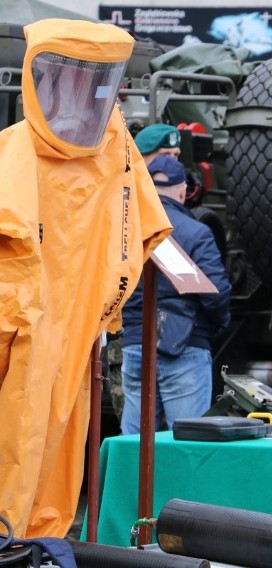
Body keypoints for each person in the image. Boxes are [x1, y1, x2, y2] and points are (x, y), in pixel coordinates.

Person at [0, 19, 171, 537]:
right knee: (28, 437)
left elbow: (138, 233)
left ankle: (29, 540)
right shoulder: (23, 151)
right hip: (27, 332)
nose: (77, 93)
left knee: (54, 443)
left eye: (90, 77)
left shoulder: (115, 151)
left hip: (67, 332)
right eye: (66, 75)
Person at [120, 155, 232, 434]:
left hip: (134, 344)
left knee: (134, 444)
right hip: (185, 346)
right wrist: (213, 327)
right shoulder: (198, 233)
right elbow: (215, 294)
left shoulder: (125, 233)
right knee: (187, 443)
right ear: (183, 191)